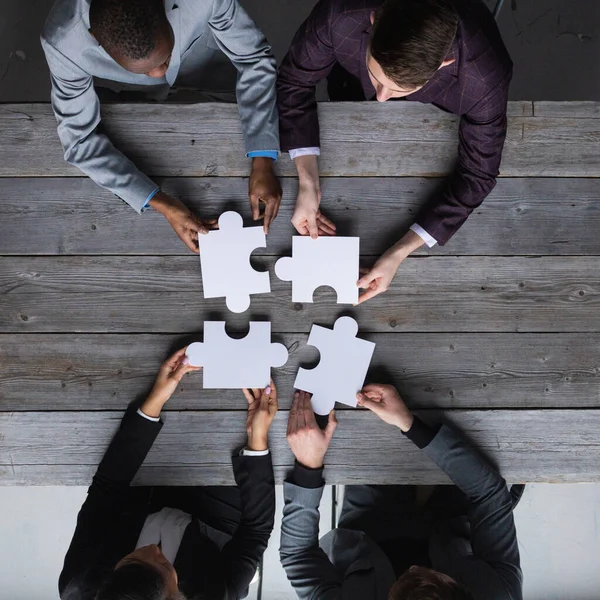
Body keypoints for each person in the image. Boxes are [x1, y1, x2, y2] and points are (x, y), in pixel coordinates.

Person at [277, 0, 513, 303]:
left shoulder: (485, 78)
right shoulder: (341, 13)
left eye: (399, 89)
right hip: (346, 77)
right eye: (376, 76)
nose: (381, 98)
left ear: (444, 63)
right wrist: (308, 181)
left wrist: (401, 251)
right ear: (374, 20)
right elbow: (295, 80)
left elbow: (478, 175)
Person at [41, 0, 282, 253]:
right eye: (145, 69)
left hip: (210, 65)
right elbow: (78, 140)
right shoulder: (62, 42)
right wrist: (162, 203)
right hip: (140, 104)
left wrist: (263, 157)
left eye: (163, 58)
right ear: (94, 37)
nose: (158, 73)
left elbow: (254, 59)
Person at [59, 347, 277, 600]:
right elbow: (255, 531)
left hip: (140, 498)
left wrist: (155, 400)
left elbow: (106, 488)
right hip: (211, 522)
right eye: (163, 565)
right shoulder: (214, 594)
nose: (152, 549)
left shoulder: (79, 582)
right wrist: (258, 437)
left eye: (133, 558)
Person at [280, 387, 523, 599]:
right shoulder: (498, 594)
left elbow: (298, 555)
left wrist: (308, 466)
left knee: (365, 422)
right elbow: (490, 494)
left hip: (372, 529)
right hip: (456, 527)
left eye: (405, 577)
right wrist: (409, 423)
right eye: (423, 573)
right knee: (484, 439)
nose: (414, 566)